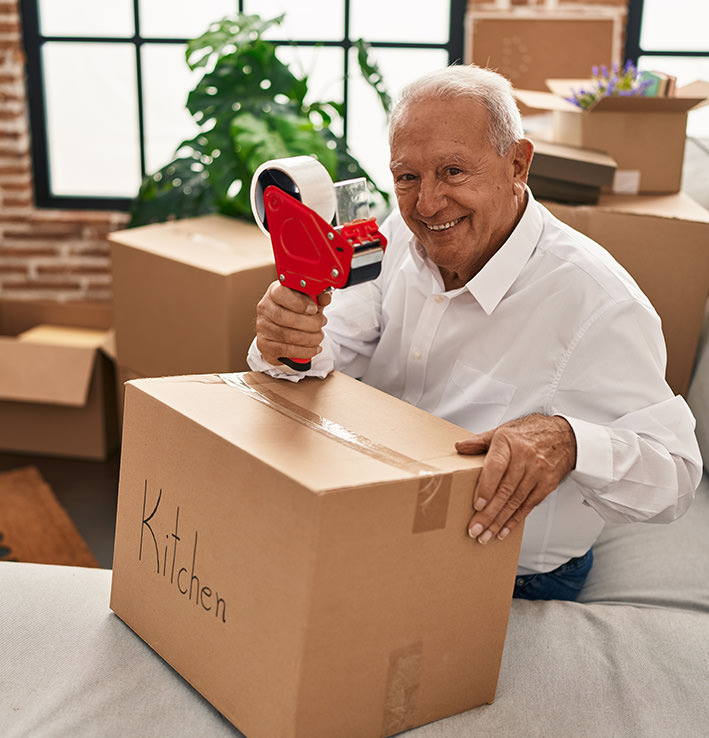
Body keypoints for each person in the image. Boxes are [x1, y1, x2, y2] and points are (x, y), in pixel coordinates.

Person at [247, 64, 702, 601]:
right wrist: (289, 338)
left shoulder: (598, 302)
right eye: (406, 176)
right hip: (377, 519)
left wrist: (571, 440)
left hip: (513, 572)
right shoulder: (397, 234)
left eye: (454, 171)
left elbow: (676, 476)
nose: (427, 204)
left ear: (518, 165)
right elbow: (331, 344)